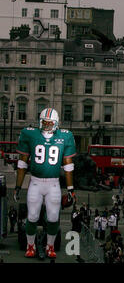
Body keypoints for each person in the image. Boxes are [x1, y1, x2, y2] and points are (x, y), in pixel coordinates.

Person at [13, 108, 77, 259]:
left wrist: (70, 189)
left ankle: (50, 246)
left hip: (53, 183)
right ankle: (30, 245)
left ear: (57, 123)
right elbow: (22, 163)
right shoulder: (30, 134)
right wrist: (17, 186)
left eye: (50, 123)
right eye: (45, 122)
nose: (48, 125)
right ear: (40, 122)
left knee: (53, 217)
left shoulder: (65, 136)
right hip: (35, 181)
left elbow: (68, 165)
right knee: (33, 216)